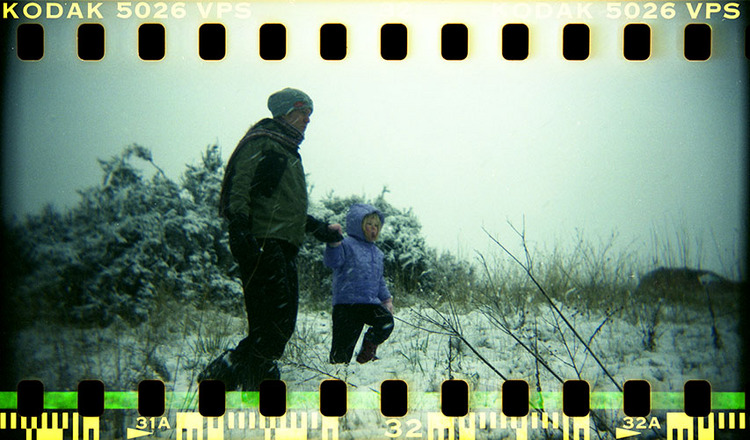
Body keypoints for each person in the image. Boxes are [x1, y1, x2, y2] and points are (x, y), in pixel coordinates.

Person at [200, 88, 343, 390]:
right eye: (303, 112)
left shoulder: (289, 151)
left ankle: (249, 371)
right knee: (273, 317)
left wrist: (319, 229)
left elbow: (286, 208)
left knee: (281, 320)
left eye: (309, 114)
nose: (307, 120)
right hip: (262, 240)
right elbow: (239, 185)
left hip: (284, 244)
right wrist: (239, 227)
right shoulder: (263, 140)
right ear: (284, 112)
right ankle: (241, 371)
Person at [325, 203, 394, 364]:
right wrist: (333, 244)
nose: (373, 229)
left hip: (369, 304)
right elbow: (332, 262)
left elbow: (379, 279)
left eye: (376, 226)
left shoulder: (377, 253)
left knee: (386, 321)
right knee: (342, 352)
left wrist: (386, 299)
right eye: (369, 224)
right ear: (358, 225)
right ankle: (337, 373)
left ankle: (367, 350)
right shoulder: (346, 244)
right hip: (347, 306)